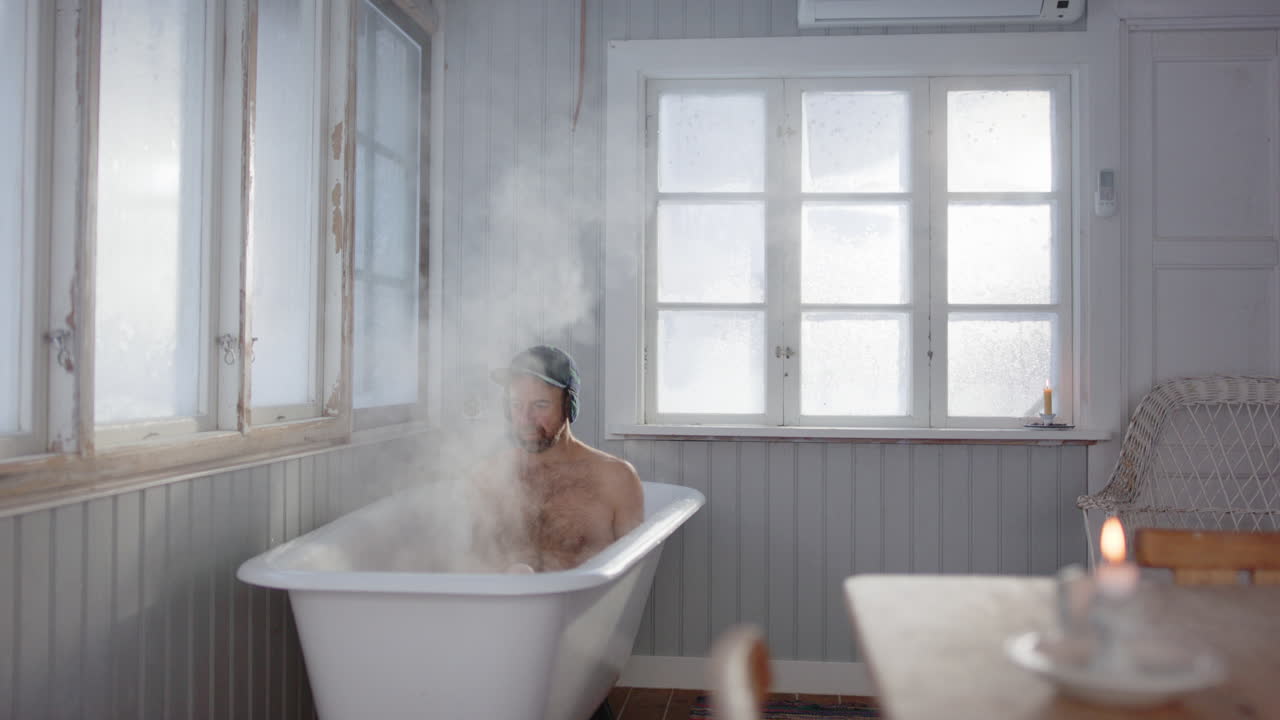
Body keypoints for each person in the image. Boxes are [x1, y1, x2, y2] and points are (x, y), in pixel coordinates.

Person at [482, 345, 644, 572]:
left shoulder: (615, 479)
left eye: (540, 405)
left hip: (586, 606)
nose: (526, 418)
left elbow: (632, 574)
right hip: (503, 605)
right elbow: (468, 561)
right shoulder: (489, 476)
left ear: (569, 406)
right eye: (516, 405)